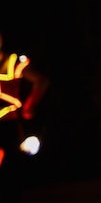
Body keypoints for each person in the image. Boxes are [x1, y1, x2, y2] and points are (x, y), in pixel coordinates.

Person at [0, 32, 50, 203]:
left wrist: (30, 105)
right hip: (8, 127)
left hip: (8, 125)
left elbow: (41, 80)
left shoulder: (12, 62)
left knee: (11, 172)